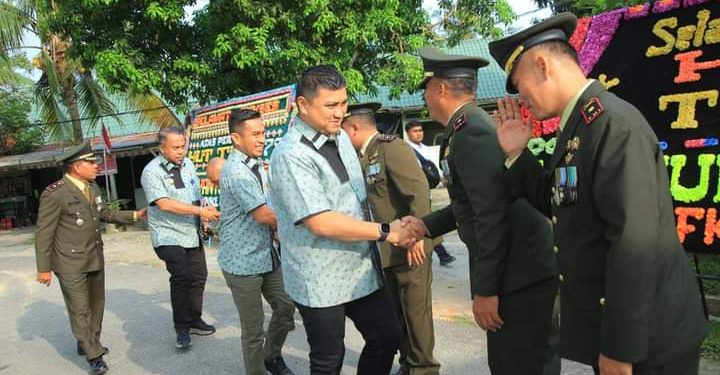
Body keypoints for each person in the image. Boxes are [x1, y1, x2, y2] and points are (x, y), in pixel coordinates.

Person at [489, 13, 707, 375]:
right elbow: (563, 203)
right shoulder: (580, 127)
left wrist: (620, 349)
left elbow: (633, 242)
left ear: (542, 64)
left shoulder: (612, 125)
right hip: (622, 332)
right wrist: (517, 154)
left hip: (649, 342)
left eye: (519, 83)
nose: (521, 98)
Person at [401, 47, 559, 374]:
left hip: (519, 277)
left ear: (440, 89)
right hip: (519, 271)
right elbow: (471, 204)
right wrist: (424, 225)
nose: (425, 98)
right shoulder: (465, 127)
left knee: (520, 366)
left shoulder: (471, 131)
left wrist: (486, 291)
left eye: (426, 88)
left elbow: (492, 213)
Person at [269, 65, 412, 375]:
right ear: (303, 105)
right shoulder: (291, 155)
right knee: (328, 359)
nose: (339, 113)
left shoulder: (341, 138)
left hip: (360, 267)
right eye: (330, 105)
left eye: (343, 103)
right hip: (319, 277)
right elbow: (320, 222)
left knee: (387, 337)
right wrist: (386, 231)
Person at [342, 103, 440, 375]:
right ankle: (408, 365)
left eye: (342, 130)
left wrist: (420, 236)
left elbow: (417, 192)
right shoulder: (363, 155)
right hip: (387, 251)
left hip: (411, 247)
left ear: (353, 127)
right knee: (399, 317)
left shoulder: (390, 147)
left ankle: (424, 369)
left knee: (415, 317)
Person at [35, 141, 146, 375]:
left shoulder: (93, 188)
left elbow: (104, 213)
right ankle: (94, 354)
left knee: (97, 305)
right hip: (68, 261)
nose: (97, 167)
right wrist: (43, 268)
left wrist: (135, 214)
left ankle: (88, 340)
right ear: (76, 167)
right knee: (80, 309)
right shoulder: (55, 193)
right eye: (91, 163)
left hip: (94, 256)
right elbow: (44, 233)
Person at [219, 108, 296, 375]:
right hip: (242, 263)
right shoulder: (236, 172)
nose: (262, 139)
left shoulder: (257, 165)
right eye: (255, 134)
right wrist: (306, 218)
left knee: (286, 306)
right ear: (236, 138)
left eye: (263, 132)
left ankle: (271, 356)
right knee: (253, 331)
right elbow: (264, 215)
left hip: (266, 255)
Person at [140, 126, 220, 351]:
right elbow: (164, 204)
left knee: (199, 276)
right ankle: (182, 328)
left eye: (183, 146)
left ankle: (194, 318)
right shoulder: (151, 171)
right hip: (166, 233)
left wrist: (204, 212)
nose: (180, 151)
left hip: (190, 233)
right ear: (161, 148)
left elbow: (196, 197)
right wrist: (199, 213)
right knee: (182, 276)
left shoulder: (189, 166)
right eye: (175, 147)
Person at [404, 120, 456, 266]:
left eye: (420, 130)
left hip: (429, 189)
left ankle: (440, 253)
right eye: (415, 131)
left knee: (426, 220)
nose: (419, 134)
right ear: (408, 134)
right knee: (424, 220)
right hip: (416, 191)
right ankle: (442, 253)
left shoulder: (426, 149)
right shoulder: (406, 150)